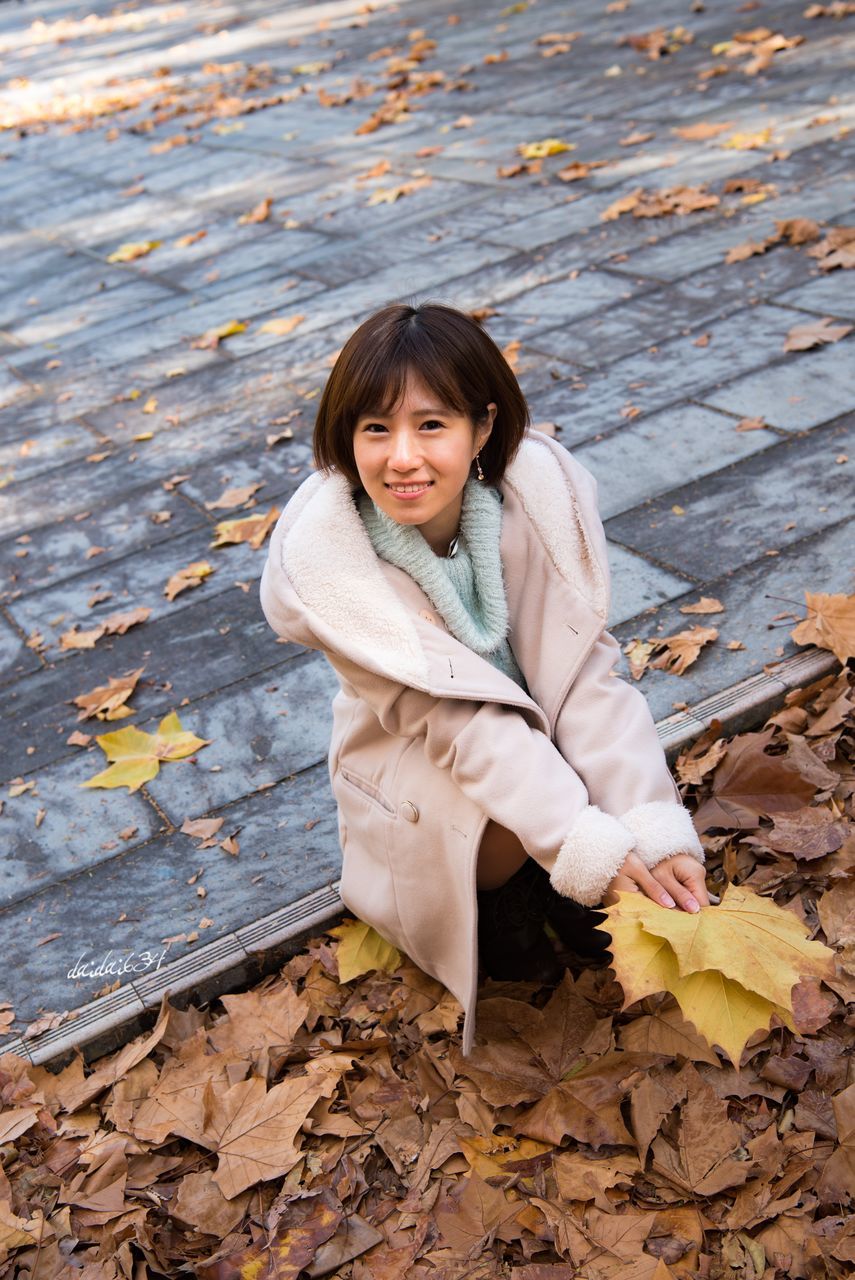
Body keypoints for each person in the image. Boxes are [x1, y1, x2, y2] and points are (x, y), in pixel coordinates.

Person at [259, 300, 710, 1055]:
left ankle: (574, 885)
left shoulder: (530, 510)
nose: (401, 457)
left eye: (430, 425)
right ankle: (504, 898)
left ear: (483, 428)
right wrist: (582, 847)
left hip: (528, 744)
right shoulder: (337, 577)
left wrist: (651, 828)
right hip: (421, 764)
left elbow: (588, 678)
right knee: (498, 809)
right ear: (346, 440)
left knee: (580, 743)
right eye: (375, 429)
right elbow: (463, 723)